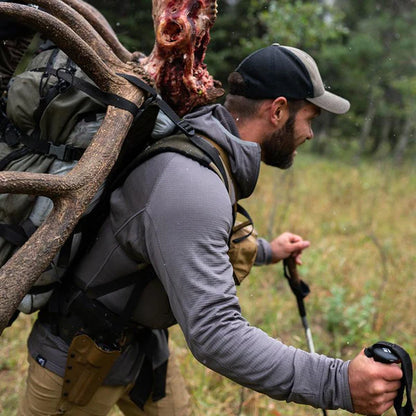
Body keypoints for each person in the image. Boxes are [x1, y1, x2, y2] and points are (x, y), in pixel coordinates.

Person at [18, 44, 402, 415]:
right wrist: (338, 382)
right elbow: (216, 335)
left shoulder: (208, 147)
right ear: (279, 111)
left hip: (141, 352)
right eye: (310, 119)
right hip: (77, 362)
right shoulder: (192, 183)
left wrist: (270, 251)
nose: (311, 133)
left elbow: (188, 241)